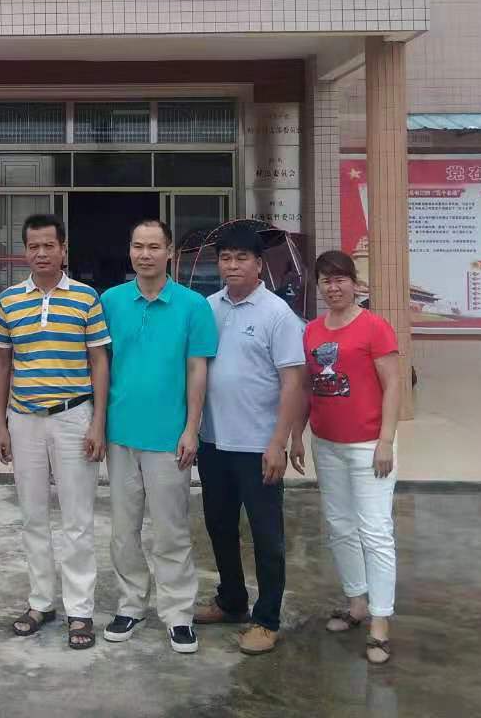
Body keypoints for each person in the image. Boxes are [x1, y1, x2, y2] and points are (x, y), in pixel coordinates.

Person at [0, 213, 110, 651]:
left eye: (49, 246)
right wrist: (0, 423)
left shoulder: (86, 298)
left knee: (77, 519)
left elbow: (98, 359)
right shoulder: (9, 301)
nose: (41, 253)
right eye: (33, 246)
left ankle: (80, 610)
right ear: (25, 251)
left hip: (73, 417)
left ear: (63, 250)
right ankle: (41, 602)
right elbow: (1, 362)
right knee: (33, 516)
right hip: (24, 420)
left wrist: (97, 421)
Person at [100, 219, 217, 655]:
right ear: (129, 251)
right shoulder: (110, 301)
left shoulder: (193, 306)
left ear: (169, 252)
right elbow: (100, 365)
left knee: (171, 530)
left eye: (153, 247)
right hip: (120, 435)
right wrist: (98, 424)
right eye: (138, 246)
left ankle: (178, 613)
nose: (145, 254)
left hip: (170, 437)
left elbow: (197, 369)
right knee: (123, 529)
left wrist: (191, 428)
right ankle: (131, 604)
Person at [193, 222, 306, 656]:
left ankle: (267, 619)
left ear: (259, 264)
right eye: (225, 258)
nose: (232, 265)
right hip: (213, 442)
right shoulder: (208, 307)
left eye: (242, 258)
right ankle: (232, 601)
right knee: (220, 526)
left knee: (266, 535)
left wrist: (279, 442)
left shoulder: (277, 314)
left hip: (258, 446)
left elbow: (293, 382)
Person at [292, 249, 402, 666]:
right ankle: (356, 602)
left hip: (368, 446)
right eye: (326, 280)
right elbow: (307, 388)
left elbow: (393, 386)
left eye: (340, 279)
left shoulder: (375, 327)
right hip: (327, 444)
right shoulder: (312, 331)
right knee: (340, 526)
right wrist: (297, 436)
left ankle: (380, 621)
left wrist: (386, 440)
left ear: (355, 284)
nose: (333, 287)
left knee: (375, 531)